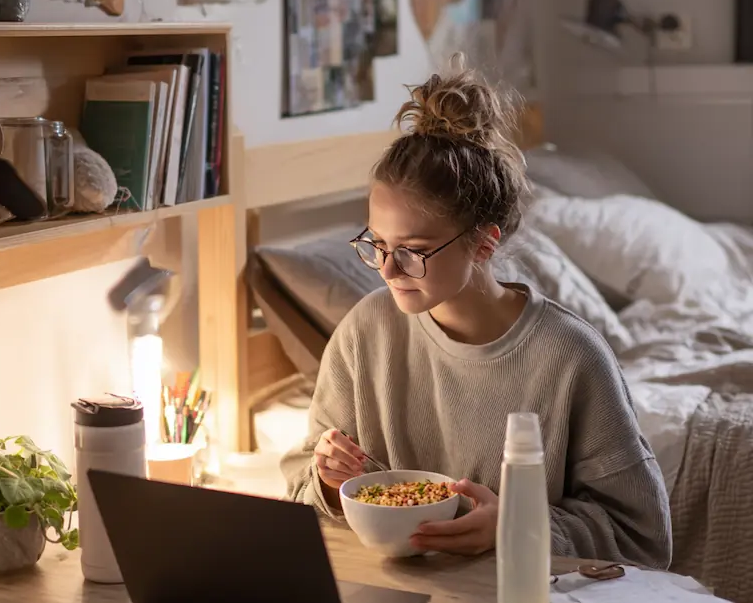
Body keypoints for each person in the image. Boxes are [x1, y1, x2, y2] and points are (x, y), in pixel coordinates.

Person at [281, 60, 672, 568]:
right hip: (402, 597)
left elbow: (644, 539)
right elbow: (297, 491)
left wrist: (518, 524)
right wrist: (330, 482)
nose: (387, 269)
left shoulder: (572, 356)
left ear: (483, 244)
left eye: (413, 250)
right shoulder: (364, 333)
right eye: (376, 244)